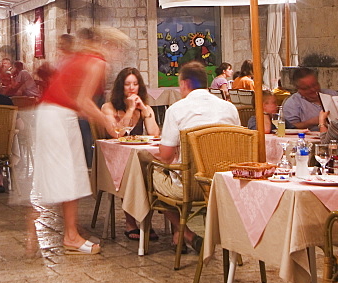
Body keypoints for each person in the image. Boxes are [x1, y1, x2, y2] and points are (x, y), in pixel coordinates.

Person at [29, 28, 123, 254]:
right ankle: (70, 236)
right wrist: (108, 124)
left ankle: (70, 232)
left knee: (71, 173)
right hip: (58, 116)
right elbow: (83, 101)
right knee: (70, 174)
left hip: (53, 114)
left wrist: (101, 117)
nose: (118, 54)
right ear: (109, 45)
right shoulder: (97, 62)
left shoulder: (80, 59)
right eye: (118, 48)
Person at [155, 62, 240, 251]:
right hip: (222, 184)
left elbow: (166, 157)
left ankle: (185, 232)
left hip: (190, 186)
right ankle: (179, 235)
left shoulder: (176, 110)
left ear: (185, 84)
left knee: (150, 176)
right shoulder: (229, 109)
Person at [101, 67, 161, 241]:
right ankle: (131, 222)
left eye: (135, 84)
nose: (132, 88)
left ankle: (145, 220)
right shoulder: (109, 107)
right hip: (113, 160)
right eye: (127, 84)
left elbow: (155, 134)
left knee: (152, 170)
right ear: (121, 87)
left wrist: (145, 111)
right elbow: (117, 134)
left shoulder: (144, 108)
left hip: (139, 158)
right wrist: (129, 110)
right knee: (130, 170)